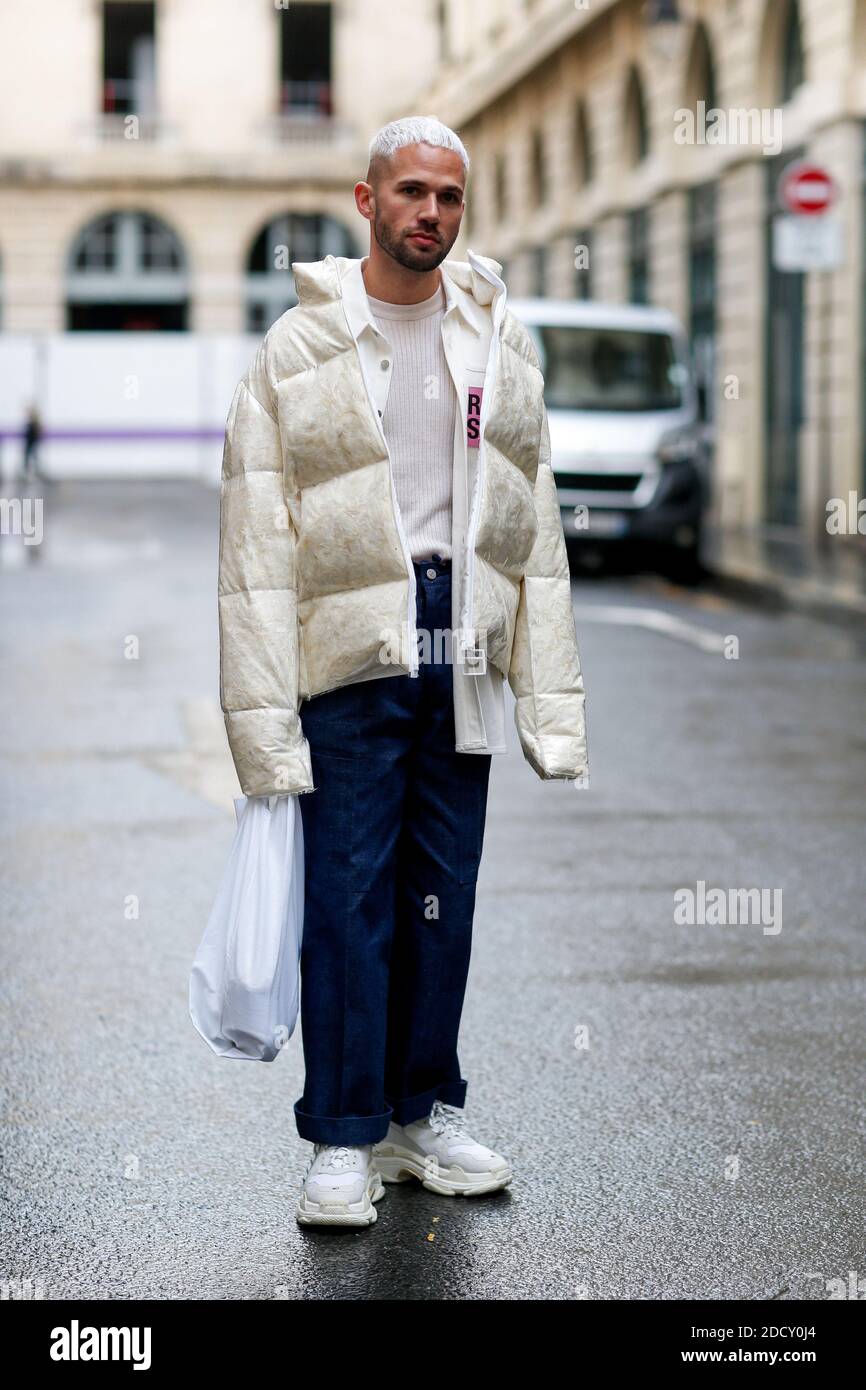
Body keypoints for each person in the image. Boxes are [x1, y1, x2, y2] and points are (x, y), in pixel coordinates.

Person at [218, 115, 588, 1229]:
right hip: (354, 642)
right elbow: (253, 549)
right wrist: (262, 724)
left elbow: (533, 528)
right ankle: (341, 1136)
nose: (429, 212)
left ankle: (419, 1112)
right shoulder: (297, 349)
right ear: (366, 200)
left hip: (460, 634)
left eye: (448, 197)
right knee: (345, 899)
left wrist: (550, 698)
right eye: (410, 192)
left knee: (443, 896)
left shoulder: (498, 339)